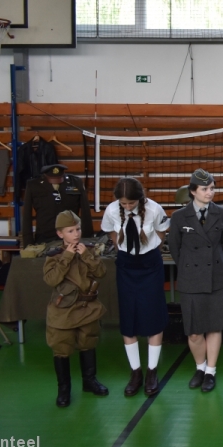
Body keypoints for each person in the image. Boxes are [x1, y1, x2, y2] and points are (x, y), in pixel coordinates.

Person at [167, 169, 223, 393]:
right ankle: (200, 367)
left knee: (214, 326)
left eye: (212, 188)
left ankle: (210, 371)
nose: (210, 192)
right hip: (191, 279)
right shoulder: (179, 217)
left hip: (216, 276)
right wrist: (190, 266)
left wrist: (213, 263)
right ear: (192, 191)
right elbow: (175, 248)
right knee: (195, 331)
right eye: (205, 189)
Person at [101, 177, 170, 398]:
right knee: (128, 316)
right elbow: (111, 233)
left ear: (140, 198)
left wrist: (151, 249)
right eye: (124, 203)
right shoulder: (112, 210)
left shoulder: (154, 209)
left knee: (153, 316)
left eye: (131, 203)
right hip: (126, 265)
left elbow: (161, 232)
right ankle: (136, 372)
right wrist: (120, 247)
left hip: (150, 264)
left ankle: (152, 371)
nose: (128, 207)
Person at [43, 210, 108, 407]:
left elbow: (101, 272)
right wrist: (67, 257)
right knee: (61, 347)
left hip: (87, 306)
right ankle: (64, 389)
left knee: (88, 342)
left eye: (78, 229)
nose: (76, 234)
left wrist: (86, 255)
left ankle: (89, 381)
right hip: (64, 309)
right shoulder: (54, 255)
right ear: (60, 233)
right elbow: (51, 279)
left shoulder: (88, 250)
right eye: (70, 231)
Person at [22, 164, 93, 248]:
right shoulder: (34, 185)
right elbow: (27, 215)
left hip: (71, 239)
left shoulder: (75, 182)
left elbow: (85, 212)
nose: (56, 181)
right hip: (45, 238)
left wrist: (87, 239)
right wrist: (28, 244)